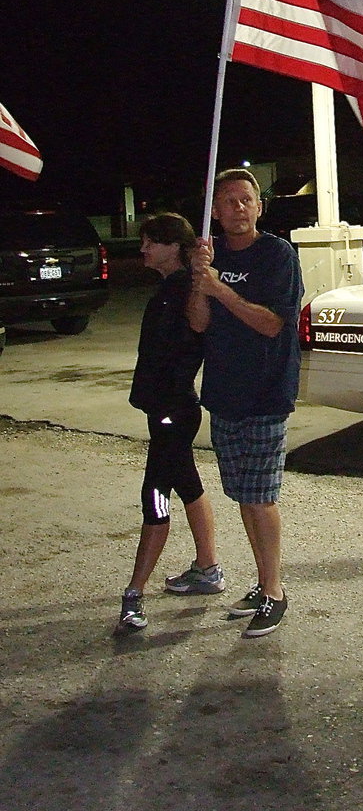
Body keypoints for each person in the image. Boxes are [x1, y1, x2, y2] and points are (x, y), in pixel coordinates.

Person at [188, 168, 303, 638]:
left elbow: (272, 323)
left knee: (261, 496)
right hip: (224, 392)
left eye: (245, 200)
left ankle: (275, 590)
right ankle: (261, 581)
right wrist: (200, 280)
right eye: (227, 201)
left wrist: (220, 288)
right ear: (214, 211)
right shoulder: (209, 254)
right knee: (242, 494)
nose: (237, 208)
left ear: (259, 207)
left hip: (266, 391)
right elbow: (198, 323)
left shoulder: (277, 255)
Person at [114, 213, 223, 637]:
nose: (142, 249)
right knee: (187, 483)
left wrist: (201, 274)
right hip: (165, 408)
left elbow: (198, 329)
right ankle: (208, 568)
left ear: (174, 246)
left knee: (155, 495)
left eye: (151, 242)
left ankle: (134, 594)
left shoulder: (186, 290)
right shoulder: (168, 289)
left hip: (173, 410)